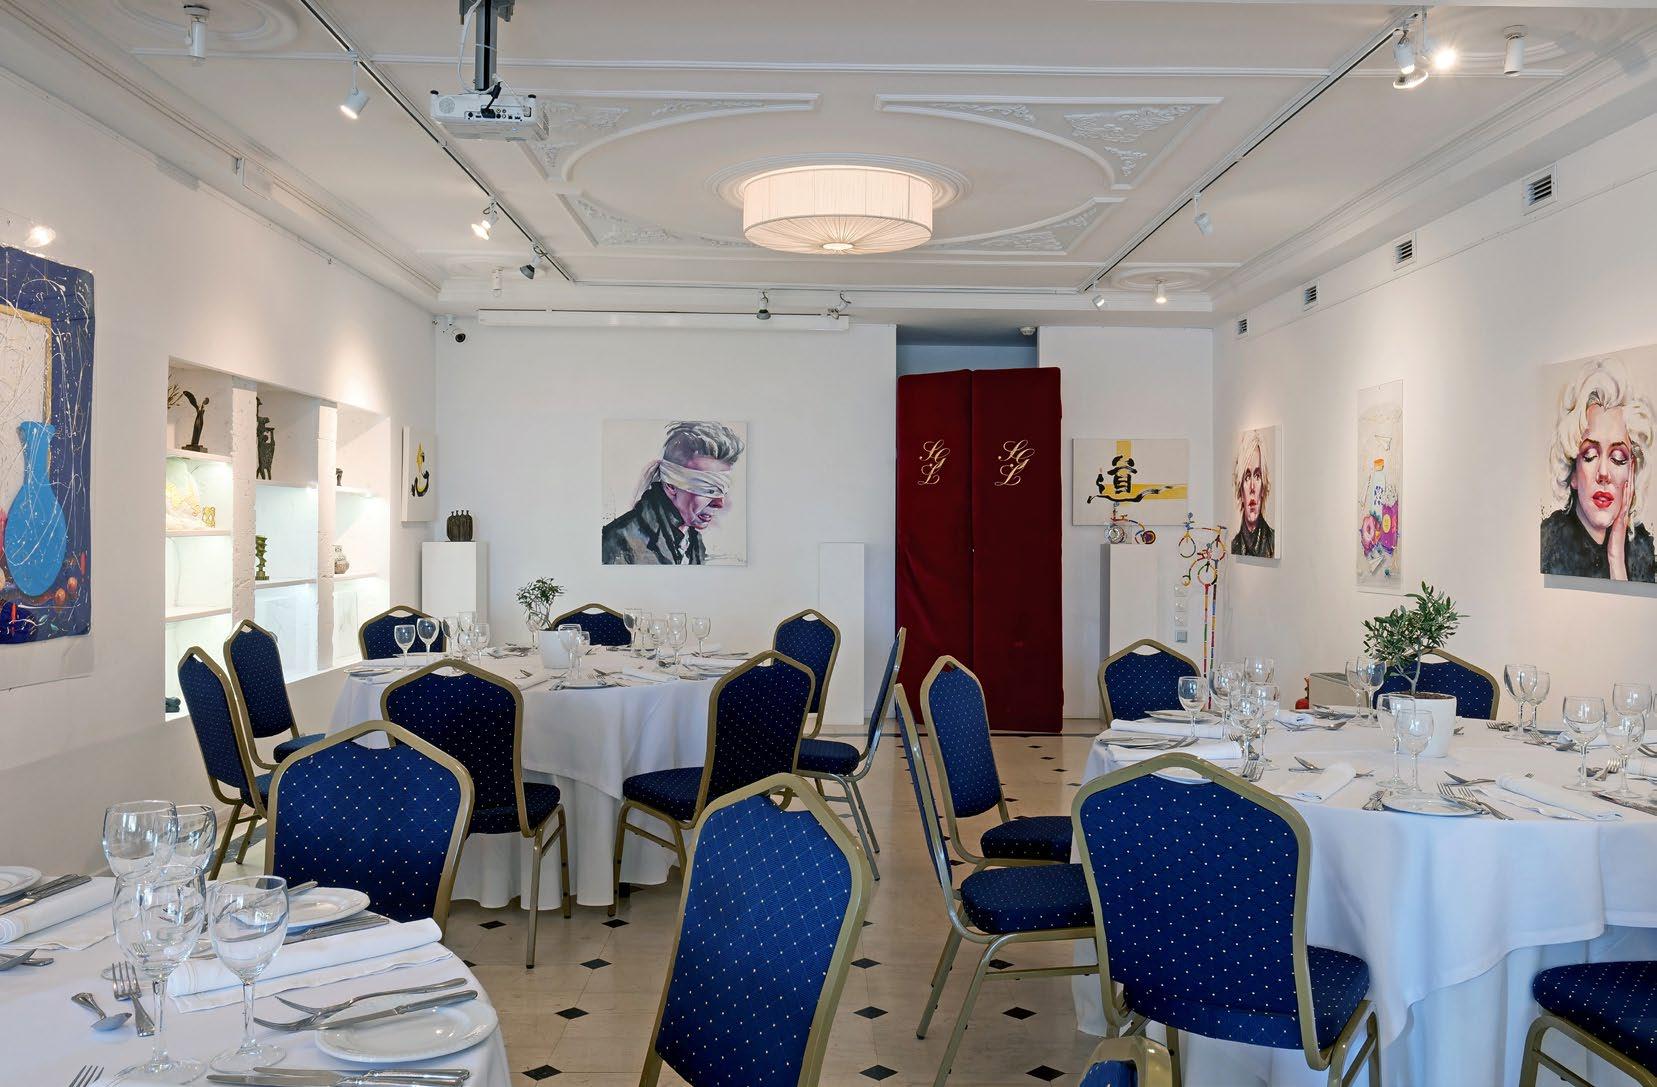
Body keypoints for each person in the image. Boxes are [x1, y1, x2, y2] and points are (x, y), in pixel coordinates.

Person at [1541, 358, 1657, 581]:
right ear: (1573, 472)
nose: (1603, 473)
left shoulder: (1642, 549)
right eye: (1590, 456)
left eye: (1618, 458)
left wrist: (1616, 558)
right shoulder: (1550, 543)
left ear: (1632, 471)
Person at [602, 421, 744, 565]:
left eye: (723, 490)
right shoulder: (620, 542)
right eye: (708, 489)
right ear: (671, 485)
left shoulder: (695, 544)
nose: (719, 503)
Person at [1230, 430, 1276, 558]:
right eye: (1247, 477)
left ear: (1263, 487)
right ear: (1240, 490)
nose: (1252, 487)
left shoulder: (1273, 542)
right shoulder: (1235, 546)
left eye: (1257, 476)